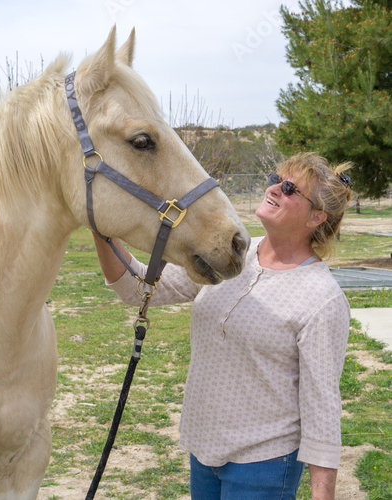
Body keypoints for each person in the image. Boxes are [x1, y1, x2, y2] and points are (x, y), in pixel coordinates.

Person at [93, 152, 353, 500]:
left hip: (264, 463)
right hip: (204, 451)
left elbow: (322, 410)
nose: (274, 188)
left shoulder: (322, 298)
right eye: (275, 179)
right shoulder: (232, 253)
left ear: (316, 216)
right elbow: (140, 288)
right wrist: (101, 228)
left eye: (289, 188)